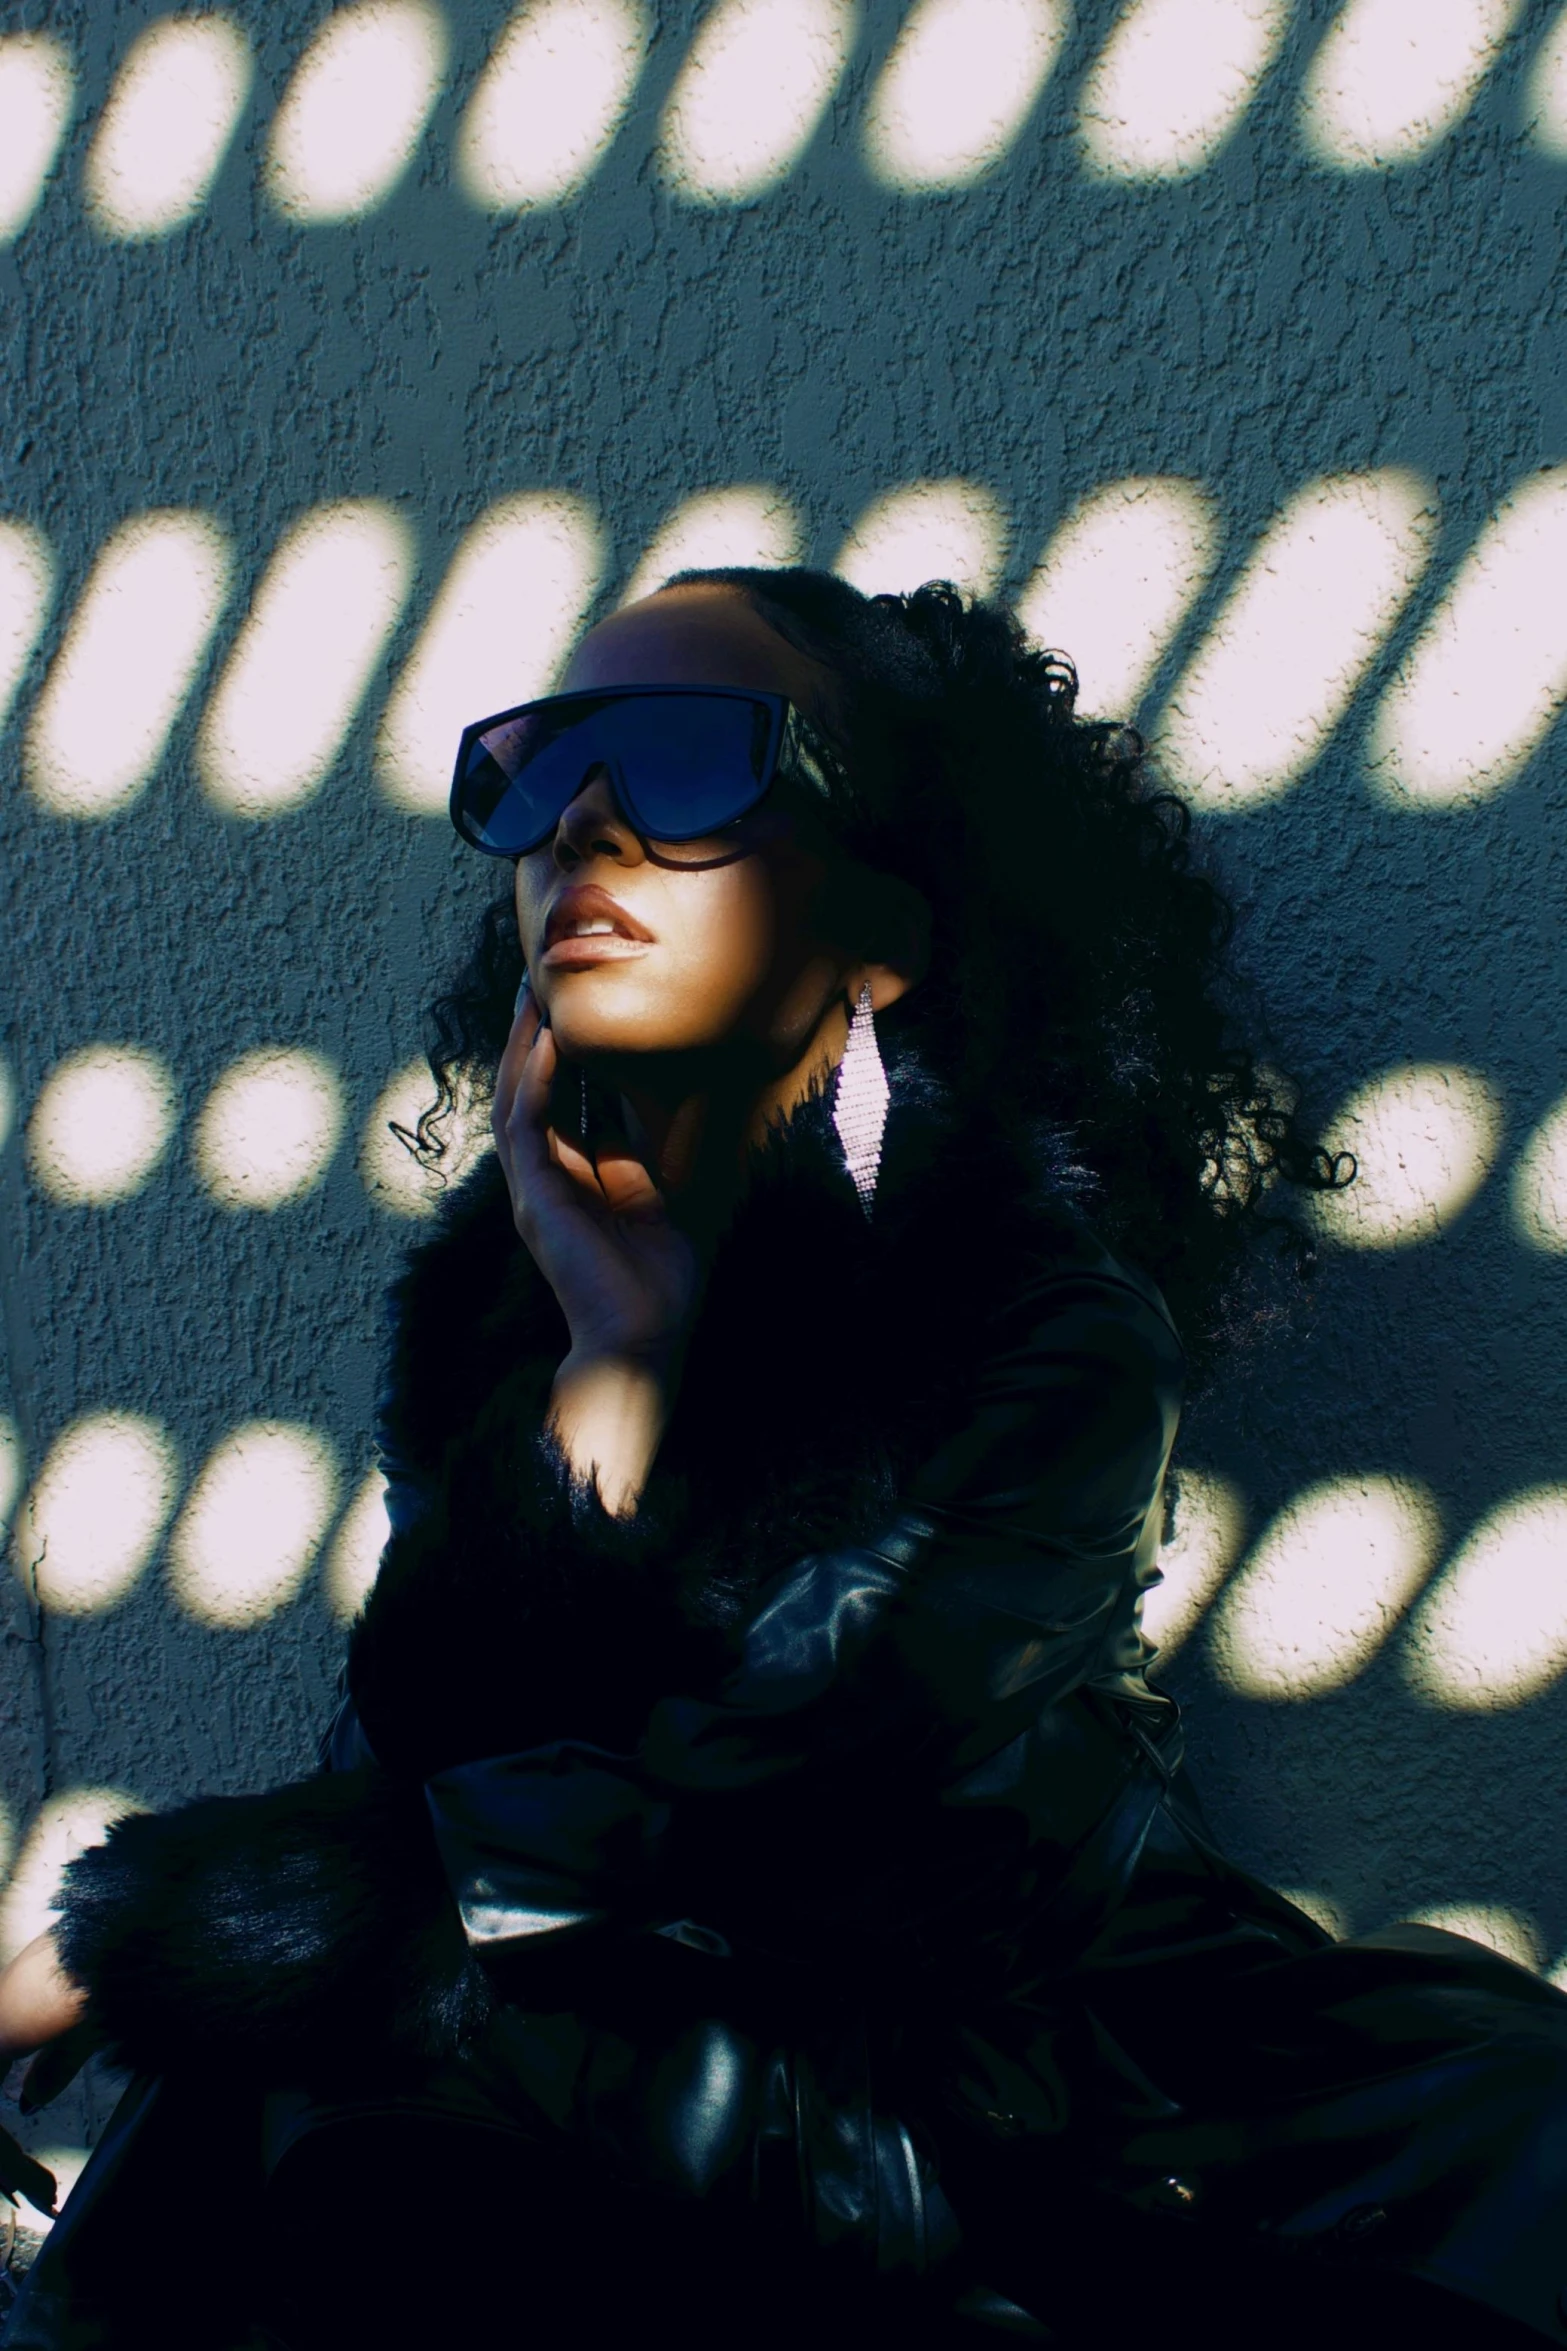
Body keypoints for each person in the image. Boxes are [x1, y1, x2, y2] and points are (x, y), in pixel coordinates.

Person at [3, 572, 1566, 2349]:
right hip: (666, 2041)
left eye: (682, 761)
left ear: (881, 931)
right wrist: (611, 1358)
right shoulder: (498, 1318)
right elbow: (439, 1745)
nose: (582, 816)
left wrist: (160, 1930)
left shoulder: (1040, 1323)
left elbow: (777, 1776)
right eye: (538, 770)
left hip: (1019, 2071)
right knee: (302, 2100)